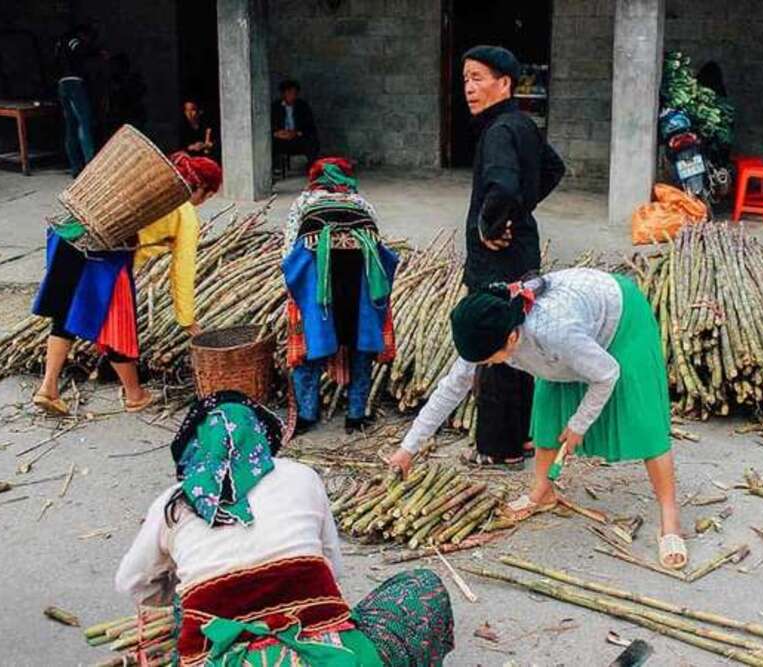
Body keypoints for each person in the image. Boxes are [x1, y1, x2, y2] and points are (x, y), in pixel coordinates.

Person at [115, 391, 456, 665]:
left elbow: (132, 584)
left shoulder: (173, 502)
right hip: (324, 653)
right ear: (262, 436)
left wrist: (182, 590)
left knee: (187, 604)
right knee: (422, 587)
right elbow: (332, 570)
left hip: (221, 655)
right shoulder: (299, 475)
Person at [388, 269, 687, 569]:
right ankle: (543, 493)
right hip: (566, 332)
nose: (483, 366)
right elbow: (451, 388)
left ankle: (670, 518)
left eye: (487, 360)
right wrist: (408, 448)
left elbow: (607, 374)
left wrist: (579, 424)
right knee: (547, 412)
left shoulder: (556, 333)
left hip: (620, 318)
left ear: (512, 337)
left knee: (644, 419)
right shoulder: (487, 332)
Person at [30, 153, 222, 416]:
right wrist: (187, 319)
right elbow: (182, 271)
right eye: (208, 195)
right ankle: (135, 395)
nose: (203, 202)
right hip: (107, 256)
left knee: (65, 313)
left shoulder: (145, 183)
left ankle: (48, 388)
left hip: (70, 234)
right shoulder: (185, 213)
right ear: (199, 188)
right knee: (117, 328)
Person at [457, 45, 566, 469]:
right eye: (466, 79)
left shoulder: (499, 130)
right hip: (523, 252)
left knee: (495, 343)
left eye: (478, 78)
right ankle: (522, 437)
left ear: (504, 83)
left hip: (497, 262)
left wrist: (490, 225)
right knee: (521, 338)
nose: (469, 87)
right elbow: (553, 169)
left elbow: (500, 185)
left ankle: (496, 447)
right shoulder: (523, 124)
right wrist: (519, 213)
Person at [283, 157, 398, 435]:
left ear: (315, 177)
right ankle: (356, 415)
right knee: (361, 343)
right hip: (360, 288)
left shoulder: (303, 203)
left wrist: (295, 290)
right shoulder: (361, 204)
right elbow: (380, 250)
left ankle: (307, 415)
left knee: (310, 341)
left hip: (318, 289)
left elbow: (288, 252)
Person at [55, 24, 100, 176]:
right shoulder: (73, 41)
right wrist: (98, 52)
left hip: (62, 84)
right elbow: (82, 51)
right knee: (84, 124)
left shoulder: (59, 43)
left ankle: (75, 167)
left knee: (71, 127)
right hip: (74, 83)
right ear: (82, 34)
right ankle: (90, 167)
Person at [272, 79, 320, 168]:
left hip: (297, 139)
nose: (292, 95)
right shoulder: (275, 107)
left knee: (312, 141)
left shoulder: (302, 106)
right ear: (283, 94)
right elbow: (270, 126)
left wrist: (296, 133)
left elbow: (310, 126)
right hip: (280, 140)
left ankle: (313, 168)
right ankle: (275, 169)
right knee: (269, 144)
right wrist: (277, 134)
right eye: (289, 92)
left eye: (294, 93)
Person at [104, 53, 147, 139]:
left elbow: (139, 92)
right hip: (119, 117)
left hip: (130, 116)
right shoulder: (113, 81)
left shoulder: (131, 79)